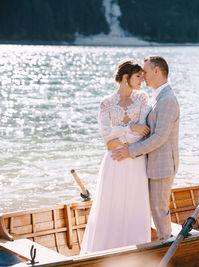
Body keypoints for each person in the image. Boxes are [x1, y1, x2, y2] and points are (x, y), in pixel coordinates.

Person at [80, 59, 152, 254]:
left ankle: (135, 253)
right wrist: (130, 128)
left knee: (135, 205)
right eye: (139, 76)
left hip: (136, 162)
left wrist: (120, 134)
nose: (142, 80)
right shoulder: (106, 104)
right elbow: (107, 138)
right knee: (110, 205)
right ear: (126, 77)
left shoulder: (143, 99)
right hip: (114, 162)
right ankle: (104, 252)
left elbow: (142, 133)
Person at [112, 55, 180, 240]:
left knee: (159, 210)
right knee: (154, 209)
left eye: (146, 72)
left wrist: (130, 151)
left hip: (162, 166)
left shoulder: (167, 100)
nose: (143, 76)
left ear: (157, 71)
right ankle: (159, 241)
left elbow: (160, 137)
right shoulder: (158, 96)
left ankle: (166, 243)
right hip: (152, 164)